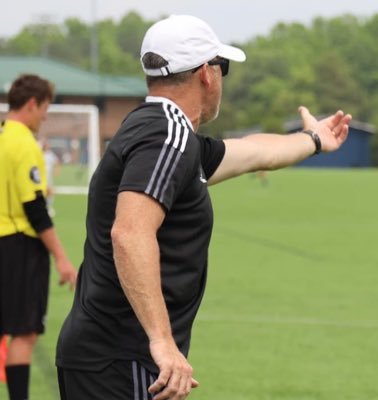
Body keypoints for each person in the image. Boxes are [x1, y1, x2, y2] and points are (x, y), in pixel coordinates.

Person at [56, 15, 351, 400]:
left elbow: (254, 151)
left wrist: (315, 138)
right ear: (205, 74)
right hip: (122, 360)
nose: (222, 79)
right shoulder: (168, 136)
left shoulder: (161, 131)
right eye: (221, 67)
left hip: (105, 357)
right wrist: (162, 343)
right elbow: (129, 233)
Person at [0, 74, 77, 400]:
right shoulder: (24, 143)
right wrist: (60, 257)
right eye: (45, 107)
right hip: (19, 244)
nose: (46, 115)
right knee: (24, 332)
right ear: (32, 104)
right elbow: (33, 206)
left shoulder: (3, 138)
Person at [41, 138, 61, 217]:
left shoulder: (50, 154)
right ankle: (42, 207)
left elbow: (57, 162)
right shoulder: (39, 153)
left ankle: (49, 207)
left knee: (50, 191)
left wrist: (57, 171)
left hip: (48, 177)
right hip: (40, 177)